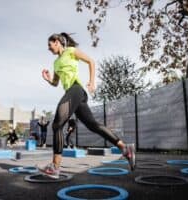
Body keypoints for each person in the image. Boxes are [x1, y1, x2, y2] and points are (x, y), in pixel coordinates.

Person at [39, 32, 135, 179]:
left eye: (50, 44)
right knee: (93, 125)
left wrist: (91, 81)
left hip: (76, 90)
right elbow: (56, 83)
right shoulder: (56, 63)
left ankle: (55, 167)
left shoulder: (71, 51)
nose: (48, 48)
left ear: (57, 42)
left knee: (57, 125)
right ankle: (125, 148)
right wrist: (48, 79)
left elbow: (91, 61)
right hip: (74, 95)